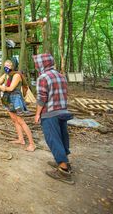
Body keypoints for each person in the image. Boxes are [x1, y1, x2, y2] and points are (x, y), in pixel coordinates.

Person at [33, 53, 74, 184]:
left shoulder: (43, 77)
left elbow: (41, 98)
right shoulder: (60, 75)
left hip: (49, 113)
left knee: (53, 138)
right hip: (62, 111)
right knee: (62, 136)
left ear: (42, 63)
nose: (35, 66)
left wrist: (37, 114)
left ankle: (63, 170)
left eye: (37, 63)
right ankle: (64, 161)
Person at [0, 60, 36, 152]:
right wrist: (2, 87)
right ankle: (21, 139)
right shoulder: (5, 75)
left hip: (16, 99)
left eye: (9, 65)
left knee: (21, 121)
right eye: (5, 65)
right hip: (7, 99)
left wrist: (3, 87)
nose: (6, 66)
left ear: (13, 65)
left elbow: (11, 88)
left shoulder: (17, 75)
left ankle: (32, 144)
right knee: (14, 120)